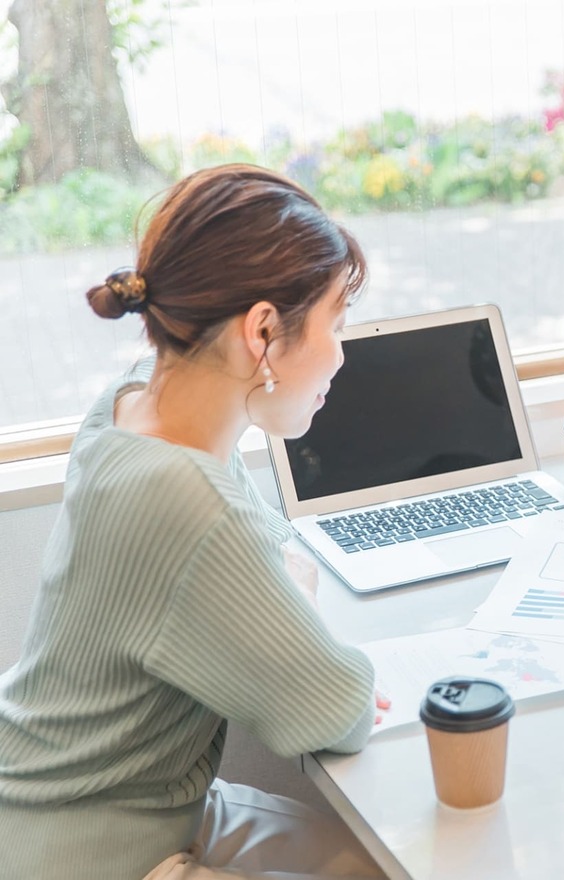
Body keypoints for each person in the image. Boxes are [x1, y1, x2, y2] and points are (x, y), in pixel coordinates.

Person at [0, 165, 389, 880]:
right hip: (91, 852)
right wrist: (305, 633)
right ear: (263, 331)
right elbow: (337, 708)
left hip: (75, 801)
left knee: (389, 855)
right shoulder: (188, 500)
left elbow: (251, 542)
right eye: (336, 323)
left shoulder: (125, 408)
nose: (341, 352)